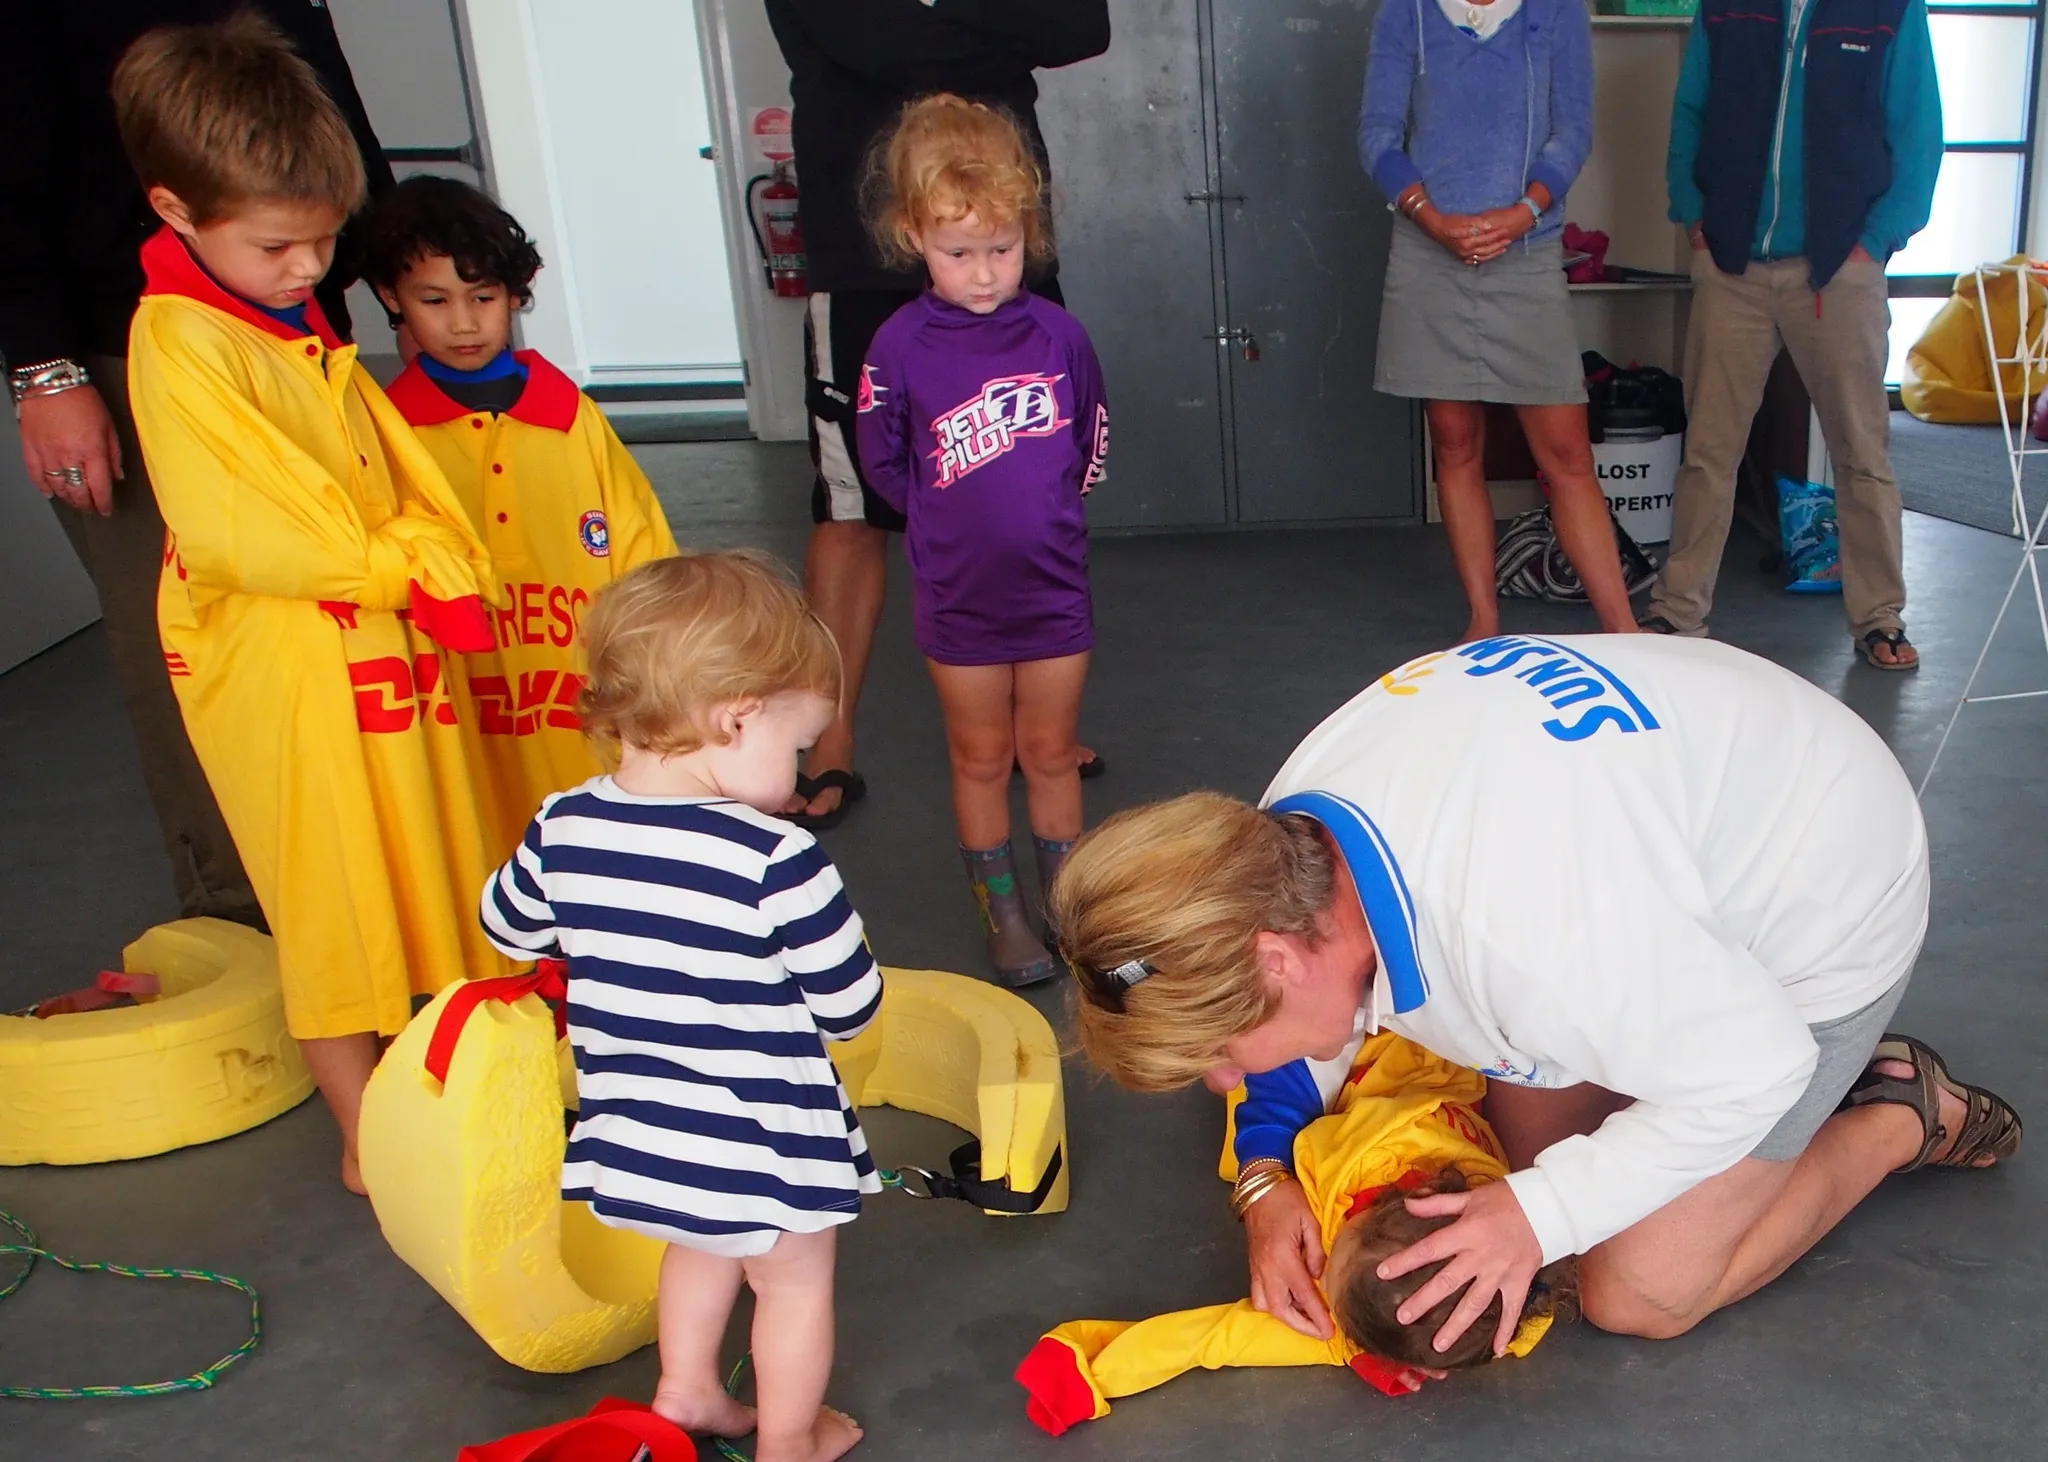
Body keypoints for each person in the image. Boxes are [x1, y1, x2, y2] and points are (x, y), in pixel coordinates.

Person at [1051, 633, 2020, 1358]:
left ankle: (1899, 1110)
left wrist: (1536, 1215)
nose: (1224, 1079)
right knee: (1547, 1170)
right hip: (1713, 790)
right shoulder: (1270, 846)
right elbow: (1302, 1037)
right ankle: (1672, 1064)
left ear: (1274, 959)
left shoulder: (1533, 938)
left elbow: (1758, 1067)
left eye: (1219, 1049)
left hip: (1820, 911)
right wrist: (1262, 1177)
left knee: (1634, 1287)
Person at [116, 14, 507, 1193]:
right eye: (281, 244)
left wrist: (427, 545)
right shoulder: (179, 338)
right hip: (284, 674)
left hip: (369, 657)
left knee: (416, 857)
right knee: (327, 895)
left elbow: (384, 470)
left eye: (322, 244)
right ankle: (362, 1138)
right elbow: (247, 530)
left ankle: (439, 1094)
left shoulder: (285, 321)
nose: (308, 269)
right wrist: (403, 562)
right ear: (179, 211)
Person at [481, 552, 882, 1462]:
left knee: (697, 1241)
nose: (799, 771)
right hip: (762, 1136)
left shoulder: (564, 826)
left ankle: (690, 1388)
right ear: (733, 721)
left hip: (643, 1125)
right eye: (796, 746)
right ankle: (790, 1443)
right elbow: (851, 1005)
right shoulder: (776, 858)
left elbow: (506, 925)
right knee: (790, 1283)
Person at [0, 4, 394, 928]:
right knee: (187, 632)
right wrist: (46, 376)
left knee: (330, 608)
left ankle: (368, 881)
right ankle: (238, 908)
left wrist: (392, 278)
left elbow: (337, 121)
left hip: (297, 331)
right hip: (126, 346)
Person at [764, 0, 1111, 828]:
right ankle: (828, 736)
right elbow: (875, 42)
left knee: (1020, 472)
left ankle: (1039, 731)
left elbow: (1078, 28)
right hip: (862, 251)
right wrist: (994, 43)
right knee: (852, 507)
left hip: (993, 237)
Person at [1014, 1031, 1574, 1437]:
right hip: (1380, 1056)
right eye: (1333, 1250)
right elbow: (1224, 1339)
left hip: (1435, 1068)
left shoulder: (1359, 1316)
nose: (1316, 1266)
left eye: (1324, 1269)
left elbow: (1219, 1338)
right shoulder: (1334, 1160)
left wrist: (1088, 1372)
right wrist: (1266, 1182)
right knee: (1264, 1068)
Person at [856, 96, 1108, 987]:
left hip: (1052, 594)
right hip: (959, 599)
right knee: (980, 756)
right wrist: (941, 523)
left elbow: (1087, 445)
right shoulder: (898, 345)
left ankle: (1066, 904)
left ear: (1027, 231)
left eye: (1001, 248)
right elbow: (882, 461)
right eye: (957, 252)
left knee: (1049, 751)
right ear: (910, 233)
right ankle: (1002, 914)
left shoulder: (1059, 336)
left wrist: (1043, 520)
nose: (985, 272)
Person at [361, 175, 680, 860]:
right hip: (461, 713)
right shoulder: (386, 434)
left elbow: (644, 556)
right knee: (478, 857)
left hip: (576, 714)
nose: (465, 322)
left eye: (483, 298)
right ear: (393, 298)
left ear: (514, 296)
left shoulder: (572, 420)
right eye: (434, 300)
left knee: (602, 863)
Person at [1648, 0, 1942, 669]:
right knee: (1710, 450)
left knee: (1861, 450)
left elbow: (1919, 135)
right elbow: (1690, 110)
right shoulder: (1723, 5)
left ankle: (1878, 618)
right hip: (1733, 266)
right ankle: (1678, 610)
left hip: (1840, 269)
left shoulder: (1890, 8)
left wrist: (1875, 240)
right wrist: (1692, 213)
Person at [1359, 0, 1639, 643]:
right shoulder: (1406, 11)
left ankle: (1624, 632)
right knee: (1455, 442)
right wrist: (1431, 217)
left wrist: (1524, 214)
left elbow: (1573, 131)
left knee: (1567, 451)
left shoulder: (1557, 10)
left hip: (1528, 250)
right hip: (1429, 251)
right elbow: (1376, 134)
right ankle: (1483, 623)